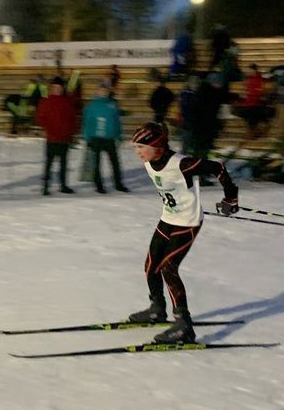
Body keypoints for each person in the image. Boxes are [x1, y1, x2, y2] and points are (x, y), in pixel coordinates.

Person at [127, 121, 239, 344]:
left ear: (157, 147)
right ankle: (157, 308)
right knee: (151, 265)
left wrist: (230, 197)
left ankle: (184, 325)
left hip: (187, 222)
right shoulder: (151, 161)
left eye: (141, 147)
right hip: (168, 218)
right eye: (136, 148)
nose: (137, 152)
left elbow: (217, 167)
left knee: (169, 268)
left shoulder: (182, 164)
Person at [81, 82, 128, 193]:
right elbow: (87, 122)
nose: (104, 93)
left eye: (106, 91)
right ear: (97, 92)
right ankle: (99, 185)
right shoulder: (91, 105)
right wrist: (87, 136)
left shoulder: (112, 104)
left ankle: (118, 184)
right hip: (96, 138)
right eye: (101, 91)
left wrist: (119, 135)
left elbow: (116, 121)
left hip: (109, 138)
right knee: (96, 163)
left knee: (115, 163)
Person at [36, 76, 78, 195]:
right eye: (55, 87)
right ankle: (45, 187)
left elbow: (73, 119)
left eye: (59, 87)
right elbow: (40, 117)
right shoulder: (46, 101)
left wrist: (72, 133)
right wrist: (47, 129)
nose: (58, 89)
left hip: (64, 138)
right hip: (52, 138)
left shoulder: (67, 102)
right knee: (49, 163)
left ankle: (63, 185)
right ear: (52, 88)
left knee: (63, 163)